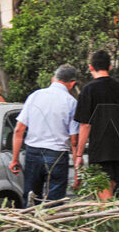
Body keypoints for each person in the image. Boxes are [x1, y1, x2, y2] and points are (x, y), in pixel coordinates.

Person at [74, 50, 119, 200]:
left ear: (90, 67)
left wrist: (79, 155)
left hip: (99, 151)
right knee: (108, 192)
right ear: (110, 67)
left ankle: (114, 221)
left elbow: (85, 125)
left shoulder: (88, 90)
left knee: (104, 198)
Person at [9, 64, 79, 207]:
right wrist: (78, 170)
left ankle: (29, 226)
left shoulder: (35, 96)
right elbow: (74, 140)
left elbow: (19, 130)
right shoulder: (71, 102)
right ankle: (50, 225)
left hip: (33, 153)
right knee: (54, 202)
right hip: (57, 155)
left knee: (30, 198)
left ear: (53, 79)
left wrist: (15, 158)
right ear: (72, 84)